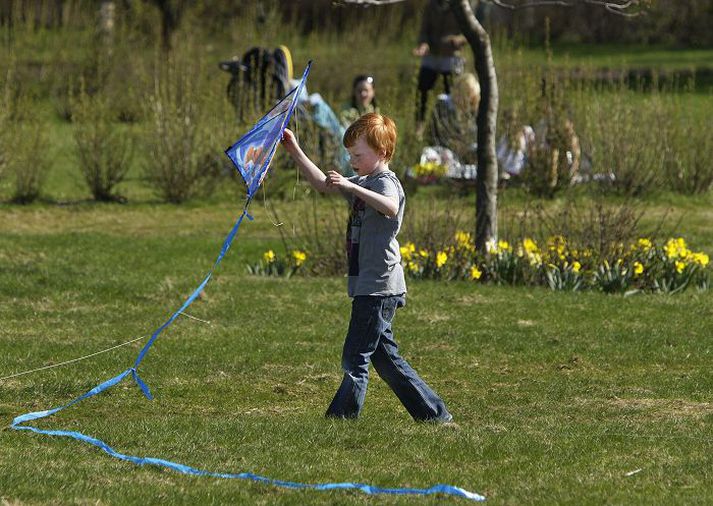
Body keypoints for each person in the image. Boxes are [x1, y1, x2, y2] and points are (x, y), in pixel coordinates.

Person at [280, 113, 452, 422]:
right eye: (349, 155)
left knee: (355, 356)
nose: (352, 161)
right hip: (369, 284)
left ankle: (341, 418)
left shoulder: (386, 182)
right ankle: (433, 414)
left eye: (358, 155)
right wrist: (294, 150)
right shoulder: (363, 181)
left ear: (382, 153)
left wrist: (352, 186)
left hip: (380, 285)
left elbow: (390, 206)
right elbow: (322, 184)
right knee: (385, 360)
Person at [413, 0, 469, 137]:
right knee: (422, 91)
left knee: (452, 95)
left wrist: (458, 40)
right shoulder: (431, 5)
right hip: (432, 54)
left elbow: (469, 32)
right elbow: (424, 30)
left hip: (451, 56)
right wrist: (423, 45)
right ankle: (418, 128)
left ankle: (453, 128)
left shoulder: (461, 6)